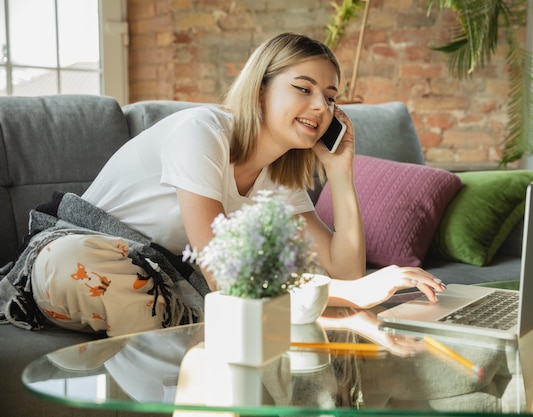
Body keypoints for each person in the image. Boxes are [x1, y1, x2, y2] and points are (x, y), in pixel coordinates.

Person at [21, 33, 445, 337]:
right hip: (87, 252)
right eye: (304, 88)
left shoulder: (280, 175)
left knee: (212, 307)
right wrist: (349, 296)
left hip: (172, 288)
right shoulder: (203, 131)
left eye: (331, 97)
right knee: (78, 262)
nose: (322, 106)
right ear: (260, 90)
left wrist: (340, 173)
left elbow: (344, 269)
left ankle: (206, 349)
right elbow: (225, 278)